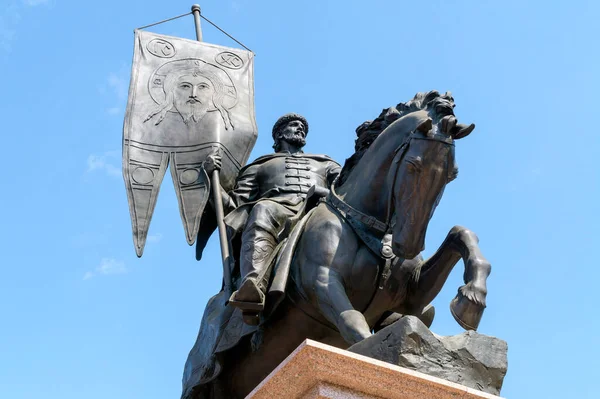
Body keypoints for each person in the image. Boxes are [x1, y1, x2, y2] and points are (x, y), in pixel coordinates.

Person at [204, 113, 340, 324]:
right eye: (294, 125)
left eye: (303, 127)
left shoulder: (325, 163)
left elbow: (346, 188)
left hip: (320, 208)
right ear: (279, 134)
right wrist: (211, 179)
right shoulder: (260, 166)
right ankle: (254, 285)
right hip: (279, 212)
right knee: (262, 208)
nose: (300, 129)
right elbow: (234, 206)